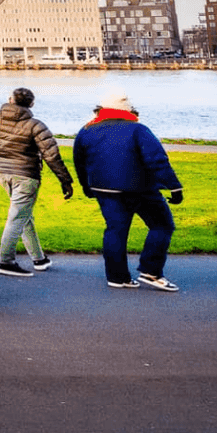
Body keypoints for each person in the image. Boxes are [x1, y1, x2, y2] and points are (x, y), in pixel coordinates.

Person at [72, 91, 183, 292]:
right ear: (128, 111)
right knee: (162, 225)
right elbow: (157, 160)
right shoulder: (137, 129)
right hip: (140, 189)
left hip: (104, 189)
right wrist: (174, 187)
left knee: (116, 231)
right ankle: (151, 271)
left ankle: (117, 277)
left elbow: (80, 162)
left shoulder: (87, 130)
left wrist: (87, 187)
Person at [0, 88, 73, 277]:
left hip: (2, 173)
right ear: (31, 104)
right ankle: (5, 262)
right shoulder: (35, 125)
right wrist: (65, 181)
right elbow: (52, 156)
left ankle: (39, 259)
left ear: (10, 100)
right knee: (17, 218)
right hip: (25, 176)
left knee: (23, 215)